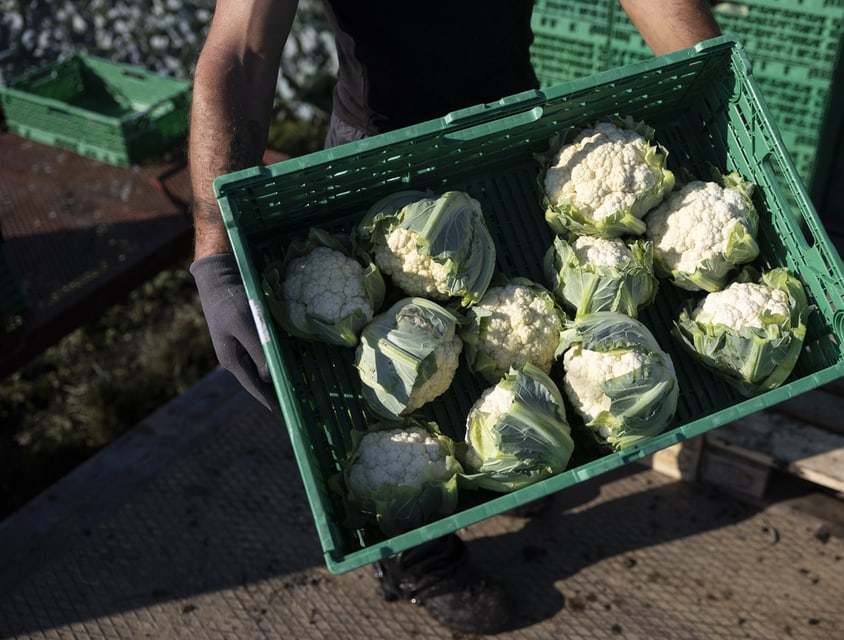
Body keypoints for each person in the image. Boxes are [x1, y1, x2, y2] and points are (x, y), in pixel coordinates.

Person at [188, 1, 720, 634]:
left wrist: (715, 96)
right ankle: (420, 561)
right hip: (376, 156)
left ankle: (517, 462)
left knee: (517, 325)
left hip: (510, 128)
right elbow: (241, 54)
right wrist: (214, 258)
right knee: (388, 393)